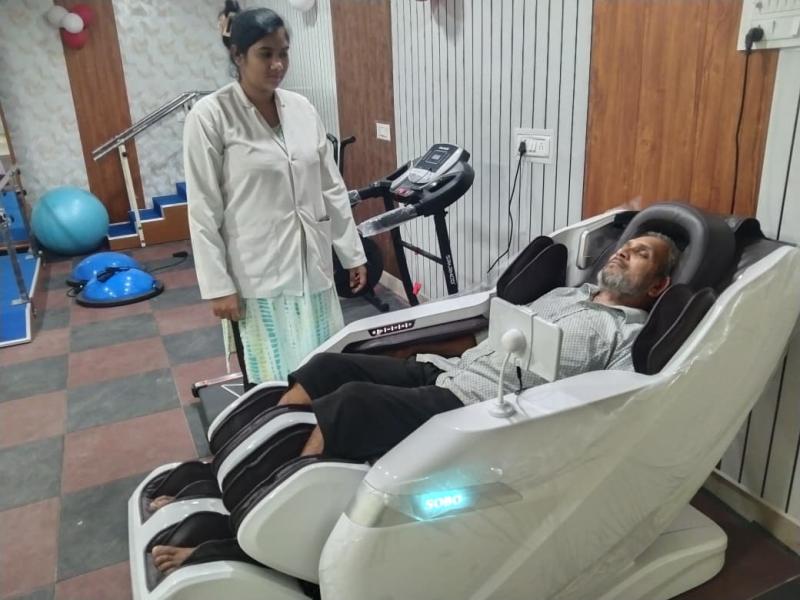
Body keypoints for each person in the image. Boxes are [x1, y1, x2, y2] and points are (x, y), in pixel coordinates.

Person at [151, 233, 680, 574]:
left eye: (640, 255)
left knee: (353, 404)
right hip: (448, 372)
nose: (622, 251)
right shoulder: (566, 295)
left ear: (657, 286)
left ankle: (251, 529)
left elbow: (619, 402)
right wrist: (411, 348)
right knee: (331, 368)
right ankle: (226, 470)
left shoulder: (626, 337)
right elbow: (486, 334)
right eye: (625, 245)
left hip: (480, 407)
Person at [185, 6, 367, 390]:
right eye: (265, 54)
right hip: (257, 277)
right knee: (271, 381)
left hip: (312, 267)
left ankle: (324, 423)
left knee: (323, 370)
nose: (278, 64)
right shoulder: (210, 116)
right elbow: (203, 208)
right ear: (238, 56)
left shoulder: (302, 108)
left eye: (283, 53)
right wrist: (218, 285)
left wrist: (351, 253)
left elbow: (331, 186)